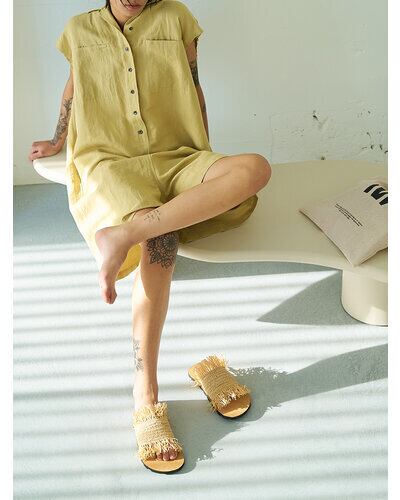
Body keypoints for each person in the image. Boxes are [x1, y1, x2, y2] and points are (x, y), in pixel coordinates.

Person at [28, 0, 271, 465]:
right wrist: (58, 140)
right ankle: (146, 393)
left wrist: (206, 155)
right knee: (161, 243)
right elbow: (74, 89)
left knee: (255, 168)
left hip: (178, 155)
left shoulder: (177, 17)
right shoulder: (78, 29)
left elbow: (194, 85)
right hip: (111, 161)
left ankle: (124, 233)